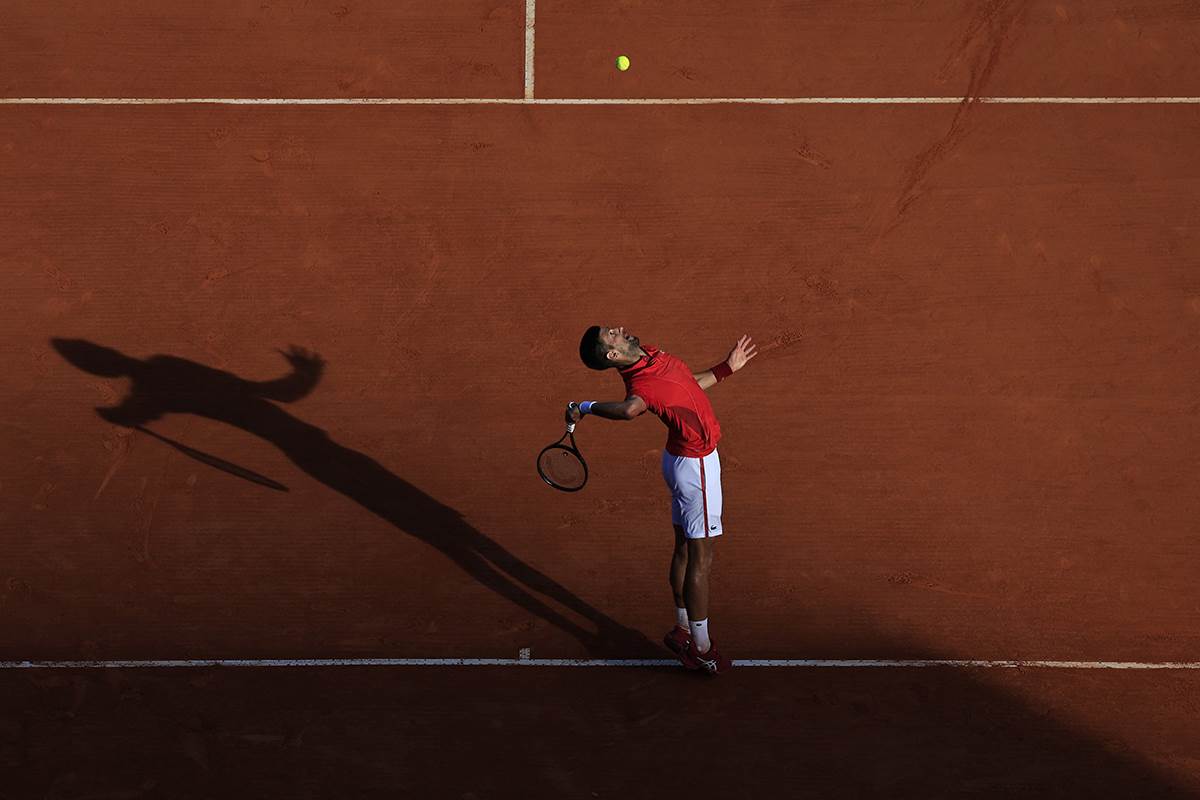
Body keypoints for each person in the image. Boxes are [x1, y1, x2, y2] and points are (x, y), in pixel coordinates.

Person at [569, 325, 757, 675]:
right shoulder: (640, 385)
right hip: (695, 465)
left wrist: (725, 368)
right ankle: (701, 648)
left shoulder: (651, 354)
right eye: (611, 335)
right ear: (612, 355)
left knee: (684, 547)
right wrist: (586, 406)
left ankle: (683, 628)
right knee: (701, 556)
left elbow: (686, 385)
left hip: (680, 461)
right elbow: (629, 410)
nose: (618, 330)